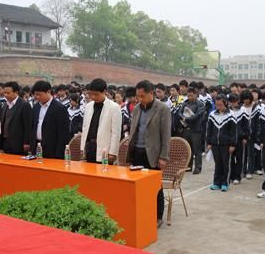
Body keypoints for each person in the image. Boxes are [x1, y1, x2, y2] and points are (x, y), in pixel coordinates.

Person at [127, 80, 171, 228]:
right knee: (138, 186)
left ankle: (158, 216)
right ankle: (142, 213)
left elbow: (166, 135)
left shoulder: (162, 109)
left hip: (153, 154)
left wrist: (163, 156)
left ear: (151, 93)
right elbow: (134, 131)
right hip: (137, 152)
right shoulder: (137, 109)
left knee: (155, 188)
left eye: (142, 96)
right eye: (138, 96)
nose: (139, 99)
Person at [80, 79, 122, 164]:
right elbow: (85, 128)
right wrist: (82, 147)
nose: (93, 97)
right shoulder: (88, 106)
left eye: (96, 94)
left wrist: (112, 153)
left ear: (105, 92)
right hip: (89, 147)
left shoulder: (114, 108)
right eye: (91, 94)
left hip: (104, 148)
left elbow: (116, 133)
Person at [31, 80, 70, 159]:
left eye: (39, 95)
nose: (37, 97)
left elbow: (63, 133)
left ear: (48, 92)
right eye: (35, 95)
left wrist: (59, 153)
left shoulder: (59, 108)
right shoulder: (36, 107)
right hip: (37, 146)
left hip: (52, 148)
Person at [206, 95, 236, 191]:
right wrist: (209, 142)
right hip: (215, 143)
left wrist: (232, 144)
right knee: (217, 163)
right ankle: (216, 182)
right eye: (217, 105)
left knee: (225, 163)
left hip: (226, 144)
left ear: (225, 103)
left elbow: (234, 132)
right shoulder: (212, 115)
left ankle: (225, 183)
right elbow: (209, 130)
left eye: (220, 105)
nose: (218, 106)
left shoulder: (231, 115)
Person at [0, 81, 32, 155]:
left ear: (16, 92)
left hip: (18, 143)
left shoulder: (24, 105)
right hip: (5, 142)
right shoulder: (5, 105)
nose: (6, 95)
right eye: (5, 93)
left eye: (8, 93)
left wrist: (27, 143)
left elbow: (28, 125)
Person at [178, 87, 205, 174]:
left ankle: (198, 167)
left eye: (191, 95)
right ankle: (188, 166)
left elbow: (198, 115)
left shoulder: (200, 104)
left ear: (196, 95)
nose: (189, 97)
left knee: (197, 149)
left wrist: (187, 118)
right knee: (188, 149)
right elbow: (179, 112)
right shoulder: (185, 103)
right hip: (186, 128)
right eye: (188, 95)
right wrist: (183, 117)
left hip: (196, 129)